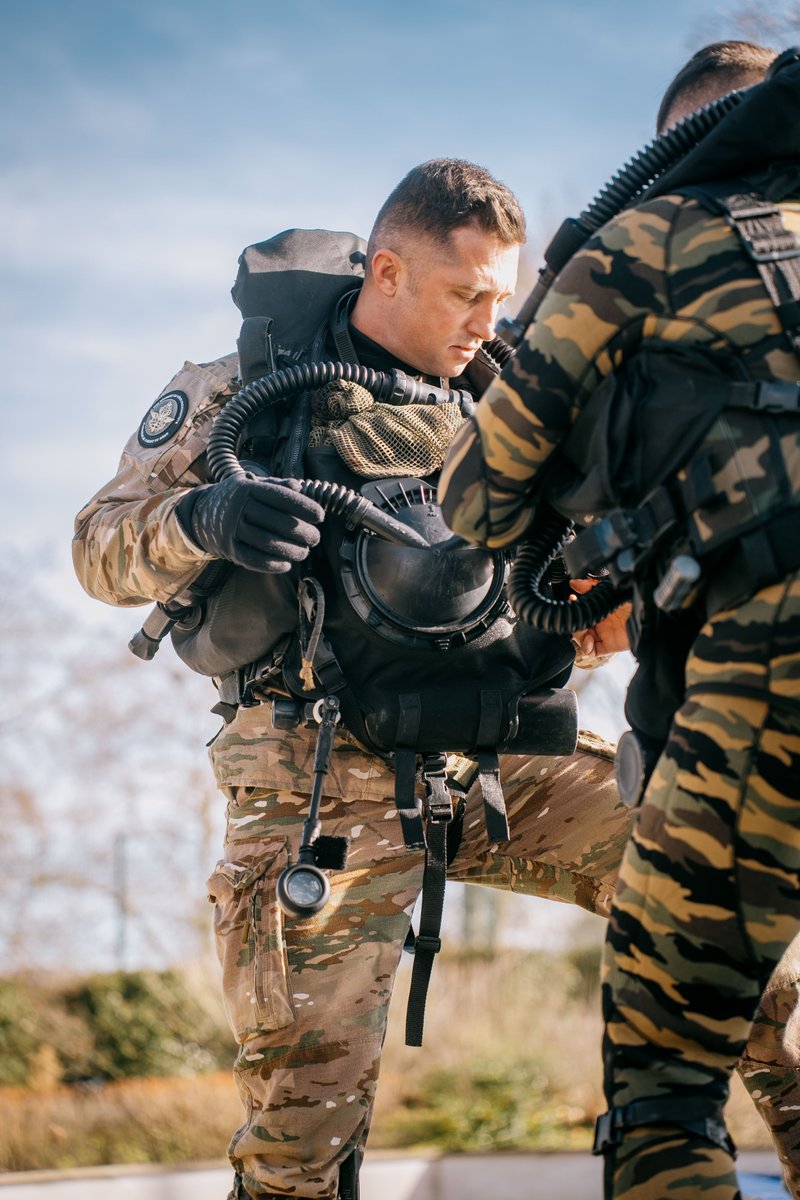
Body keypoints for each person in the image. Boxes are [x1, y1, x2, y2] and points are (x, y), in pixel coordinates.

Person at [74, 155, 788, 1200]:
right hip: (319, 779)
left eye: (502, 297)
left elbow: (574, 613)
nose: (488, 323)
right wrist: (203, 517)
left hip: (503, 758)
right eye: (466, 294)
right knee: (298, 1144)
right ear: (388, 272)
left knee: (735, 921)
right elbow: (96, 550)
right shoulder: (241, 389)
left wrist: (634, 600)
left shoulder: (511, 404)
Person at [440, 42, 800, 1200]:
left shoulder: (649, 242)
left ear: (682, 139)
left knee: (663, 1090)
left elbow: (474, 499)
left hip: (765, 688)